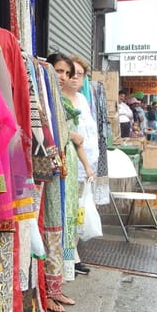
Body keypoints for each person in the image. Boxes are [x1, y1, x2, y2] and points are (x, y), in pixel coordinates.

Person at [44, 53, 96, 312]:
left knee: (64, 223)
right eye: (59, 71)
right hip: (52, 169)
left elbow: (78, 141)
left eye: (67, 72)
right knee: (52, 223)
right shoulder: (47, 99)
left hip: (68, 165)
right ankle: (48, 292)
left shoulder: (67, 101)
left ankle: (56, 288)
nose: (63, 77)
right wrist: (69, 134)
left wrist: (87, 166)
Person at [67, 55, 99, 276]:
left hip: (87, 165)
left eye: (80, 74)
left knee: (79, 213)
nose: (76, 77)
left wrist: (91, 164)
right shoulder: (60, 98)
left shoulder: (82, 99)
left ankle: (74, 256)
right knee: (71, 213)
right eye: (72, 73)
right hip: (73, 165)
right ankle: (72, 259)